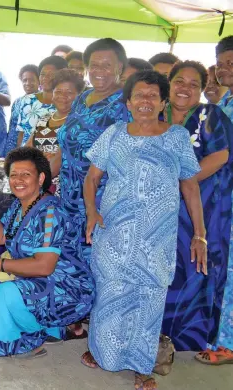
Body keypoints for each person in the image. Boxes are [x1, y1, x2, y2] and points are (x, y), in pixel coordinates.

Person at [81, 70, 205, 390]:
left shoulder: (176, 138)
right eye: (139, 95)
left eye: (153, 95)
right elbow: (91, 179)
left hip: (156, 238)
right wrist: (91, 211)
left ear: (163, 102)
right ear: (128, 102)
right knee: (110, 294)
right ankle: (101, 349)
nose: (145, 101)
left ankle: (141, 365)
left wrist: (199, 234)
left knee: (149, 300)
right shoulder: (114, 134)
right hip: (114, 234)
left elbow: (190, 188)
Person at [0, 147, 93, 358]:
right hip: (36, 281)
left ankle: (25, 339)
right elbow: (0, 238)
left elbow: (44, 266)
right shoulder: (20, 205)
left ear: (41, 177)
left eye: (26, 174)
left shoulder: (51, 212)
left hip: (68, 288)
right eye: (13, 175)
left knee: (9, 293)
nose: (18, 180)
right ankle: (40, 332)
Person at [53, 38, 129, 341]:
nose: (99, 70)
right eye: (93, 64)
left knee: (101, 264)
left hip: (103, 200)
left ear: (120, 68)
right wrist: (43, 180)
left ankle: (105, 334)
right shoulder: (83, 98)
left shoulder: (125, 105)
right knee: (71, 258)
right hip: (68, 196)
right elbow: (64, 146)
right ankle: (75, 320)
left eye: (107, 64)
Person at [160, 61, 233, 352]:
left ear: (202, 90)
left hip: (199, 208)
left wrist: (176, 182)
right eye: (180, 81)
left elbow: (220, 157)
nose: (185, 88)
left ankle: (187, 339)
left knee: (193, 268)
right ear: (169, 82)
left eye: (193, 84)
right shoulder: (154, 112)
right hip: (156, 209)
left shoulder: (210, 114)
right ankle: (154, 335)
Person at [195, 35, 233, 365]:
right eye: (220, 64)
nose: (224, 69)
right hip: (221, 198)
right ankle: (220, 336)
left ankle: (228, 344)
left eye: (231, 63)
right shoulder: (224, 103)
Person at [26, 69, 85, 195]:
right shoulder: (44, 118)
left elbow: (64, 158)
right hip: (37, 184)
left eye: (69, 92)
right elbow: (27, 150)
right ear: (52, 94)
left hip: (65, 190)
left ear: (79, 96)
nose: (63, 96)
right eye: (58, 91)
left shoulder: (79, 122)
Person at [5, 56, 67, 154]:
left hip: (52, 159)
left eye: (51, 74)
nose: (46, 78)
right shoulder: (27, 100)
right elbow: (21, 134)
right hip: (27, 156)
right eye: (43, 74)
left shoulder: (65, 103)